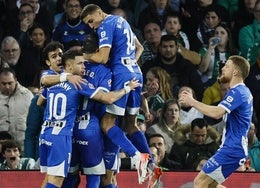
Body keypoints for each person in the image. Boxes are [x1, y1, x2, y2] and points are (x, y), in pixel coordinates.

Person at [38, 49, 140, 188]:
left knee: (49, 178)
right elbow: (108, 98)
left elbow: (39, 100)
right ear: (69, 66)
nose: (84, 67)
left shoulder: (52, 79)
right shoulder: (78, 82)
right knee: (57, 180)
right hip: (62, 135)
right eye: (80, 64)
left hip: (45, 133)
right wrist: (127, 89)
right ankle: (136, 154)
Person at [80, 4, 158, 184]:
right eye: (88, 24)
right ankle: (152, 164)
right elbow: (140, 48)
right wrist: (129, 64)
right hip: (135, 73)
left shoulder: (106, 24)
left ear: (99, 12)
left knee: (107, 123)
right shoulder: (123, 21)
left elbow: (103, 58)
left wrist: (83, 56)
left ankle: (137, 156)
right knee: (131, 125)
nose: (92, 26)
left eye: (91, 21)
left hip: (122, 75)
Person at [179, 55, 253, 187]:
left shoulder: (237, 91)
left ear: (235, 72)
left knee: (199, 183)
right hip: (235, 148)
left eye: (227, 66)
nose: (223, 69)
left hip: (232, 148)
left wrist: (192, 101)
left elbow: (217, 113)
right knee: (211, 185)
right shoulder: (244, 91)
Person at [142, 34, 204, 101]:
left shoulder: (187, 66)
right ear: (159, 48)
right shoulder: (149, 66)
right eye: (164, 46)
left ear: (177, 48)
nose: (168, 49)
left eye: (171, 46)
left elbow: (198, 90)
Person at [0, 67, 34, 155]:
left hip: (23, 149)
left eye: (10, 83)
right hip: (1, 151)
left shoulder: (27, 96)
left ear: (15, 80)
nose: (7, 87)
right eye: (3, 84)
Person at [238, 0, 260, 66]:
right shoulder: (245, 31)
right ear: (254, 13)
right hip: (254, 71)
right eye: (258, 11)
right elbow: (250, 56)